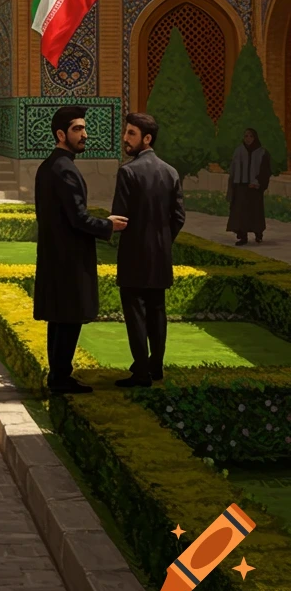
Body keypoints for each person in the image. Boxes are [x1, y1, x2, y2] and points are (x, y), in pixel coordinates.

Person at [34, 104, 128, 394]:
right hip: (69, 258)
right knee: (69, 317)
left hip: (55, 254)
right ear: (61, 134)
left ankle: (58, 375)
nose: (84, 134)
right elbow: (78, 218)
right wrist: (108, 225)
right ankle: (61, 378)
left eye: (84, 128)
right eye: (78, 129)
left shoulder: (49, 166)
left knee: (59, 317)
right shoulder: (65, 170)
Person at [111, 112, 185, 388]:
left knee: (136, 314)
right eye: (126, 132)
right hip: (160, 257)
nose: (125, 138)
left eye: (131, 133)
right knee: (157, 311)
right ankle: (156, 366)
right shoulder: (170, 172)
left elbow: (120, 217)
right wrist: (163, 241)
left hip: (134, 256)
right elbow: (178, 217)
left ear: (147, 138)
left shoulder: (128, 172)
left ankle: (141, 372)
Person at [227, 127, 271, 245]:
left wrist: (257, 183)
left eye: (251, 136)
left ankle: (258, 233)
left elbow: (265, 171)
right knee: (240, 213)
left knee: (255, 212)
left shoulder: (262, 152)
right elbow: (233, 170)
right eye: (246, 136)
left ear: (255, 137)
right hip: (241, 186)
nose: (248, 138)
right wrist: (232, 186)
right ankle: (243, 237)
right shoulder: (238, 151)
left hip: (254, 188)